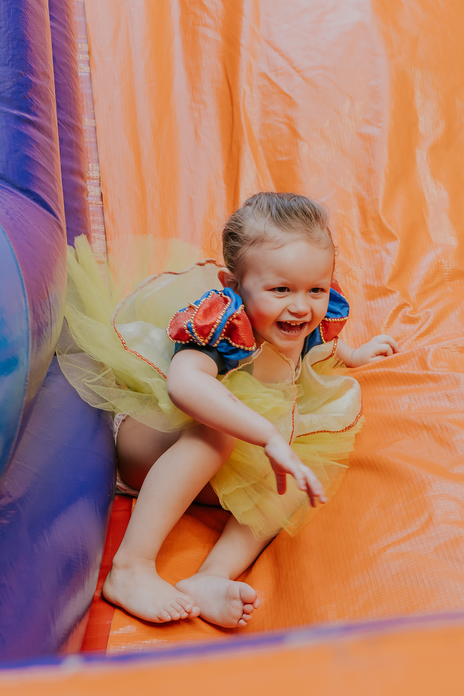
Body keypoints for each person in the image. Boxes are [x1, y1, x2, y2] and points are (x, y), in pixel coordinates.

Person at [56, 192, 398, 628]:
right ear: (232, 286)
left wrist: (353, 354)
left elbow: (317, 341)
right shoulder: (223, 325)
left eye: (317, 289)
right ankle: (131, 567)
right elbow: (185, 384)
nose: (302, 305)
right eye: (281, 290)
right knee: (217, 434)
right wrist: (269, 436)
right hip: (152, 445)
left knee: (292, 484)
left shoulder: (301, 315)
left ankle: (210, 577)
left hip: (224, 469)